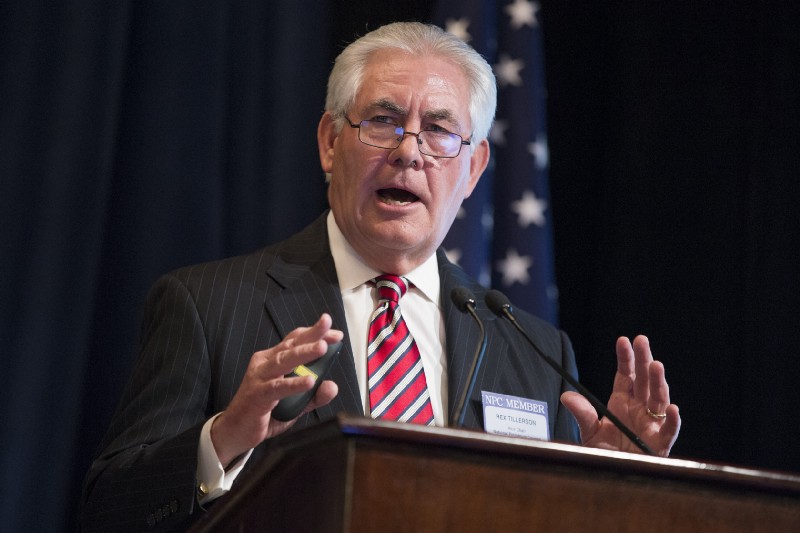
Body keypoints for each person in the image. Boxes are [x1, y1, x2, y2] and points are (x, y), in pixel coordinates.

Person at [80, 21, 680, 532]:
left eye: (440, 130)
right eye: (384, 122)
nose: (409, 151)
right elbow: (108, 510)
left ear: (472, 169)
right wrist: (224, 439)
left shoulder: (536, 350)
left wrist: (608, 490)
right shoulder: (207, 304)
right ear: (329, 142)